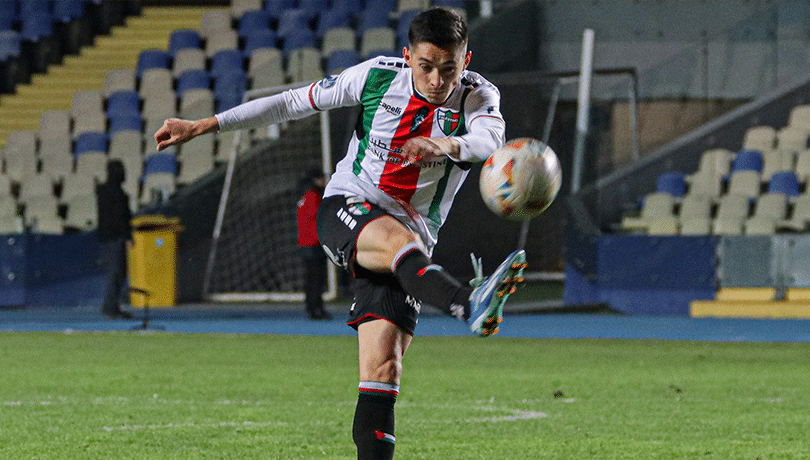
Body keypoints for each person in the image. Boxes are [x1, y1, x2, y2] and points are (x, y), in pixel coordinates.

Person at [154, 7, 526, 459]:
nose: (435, 80)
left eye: (448, 69)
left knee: (383, 370)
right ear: (407, 56)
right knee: (396, 242)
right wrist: (203, 125)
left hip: (413, 241)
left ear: (465, 62)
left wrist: (448, 143)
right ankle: (470, 303)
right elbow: (292, 101)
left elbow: (491, 143)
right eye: (425, 67)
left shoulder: (478, 96)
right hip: (349, 207)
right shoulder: (375, 78)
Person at [96, 159, 133, 320]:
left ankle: (112, 305)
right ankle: (110, 306)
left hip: (106, 237)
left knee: (116, 274)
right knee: (116, 274)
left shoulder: (102, 192)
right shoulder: (119, 194)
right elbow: (121, 218)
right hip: (116, 238)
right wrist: (127, 236)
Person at [297, 168, 331, 320]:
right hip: (314, 243)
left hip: (305, 242)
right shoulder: (313, 196)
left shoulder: (304, 196)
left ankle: (312, 306)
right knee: (316, 278)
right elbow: (319, 217)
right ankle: (316, 308)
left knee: (310, 278)